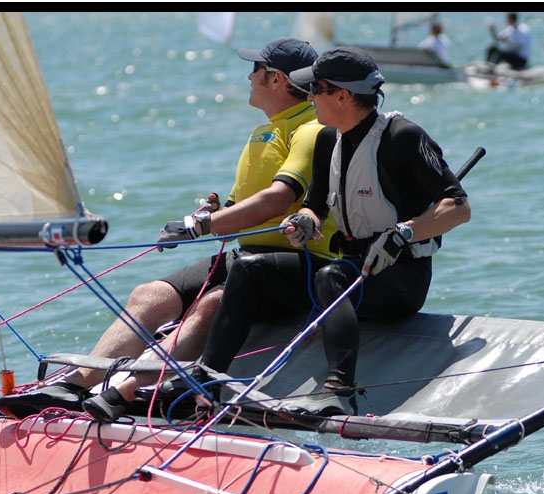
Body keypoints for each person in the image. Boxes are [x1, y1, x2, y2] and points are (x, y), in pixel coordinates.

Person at [0, 38, 338, 422]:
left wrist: (200, 227)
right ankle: (76, 384)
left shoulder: (309, 130)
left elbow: (277, 201)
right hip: (246, 255)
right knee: (150, 294)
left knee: (212, 303)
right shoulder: (265, 132)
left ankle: (126, 388)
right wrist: (218, 210)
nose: (248, 75)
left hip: (296, 263)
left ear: (276, 79)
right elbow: (245, 204)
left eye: (255, 69)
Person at [198, 46, 470, 415]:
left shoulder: (403, 137)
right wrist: (306, 219)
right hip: (350, 270)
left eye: (315, 90)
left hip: (399, 279)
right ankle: (207, 379)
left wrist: (405, 233)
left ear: (342, 95)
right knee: (251, 268)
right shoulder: (328, 139)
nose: (309, 98)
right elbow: (315, 202)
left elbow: (458, 207)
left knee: (331, 276)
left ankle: (339, 389)